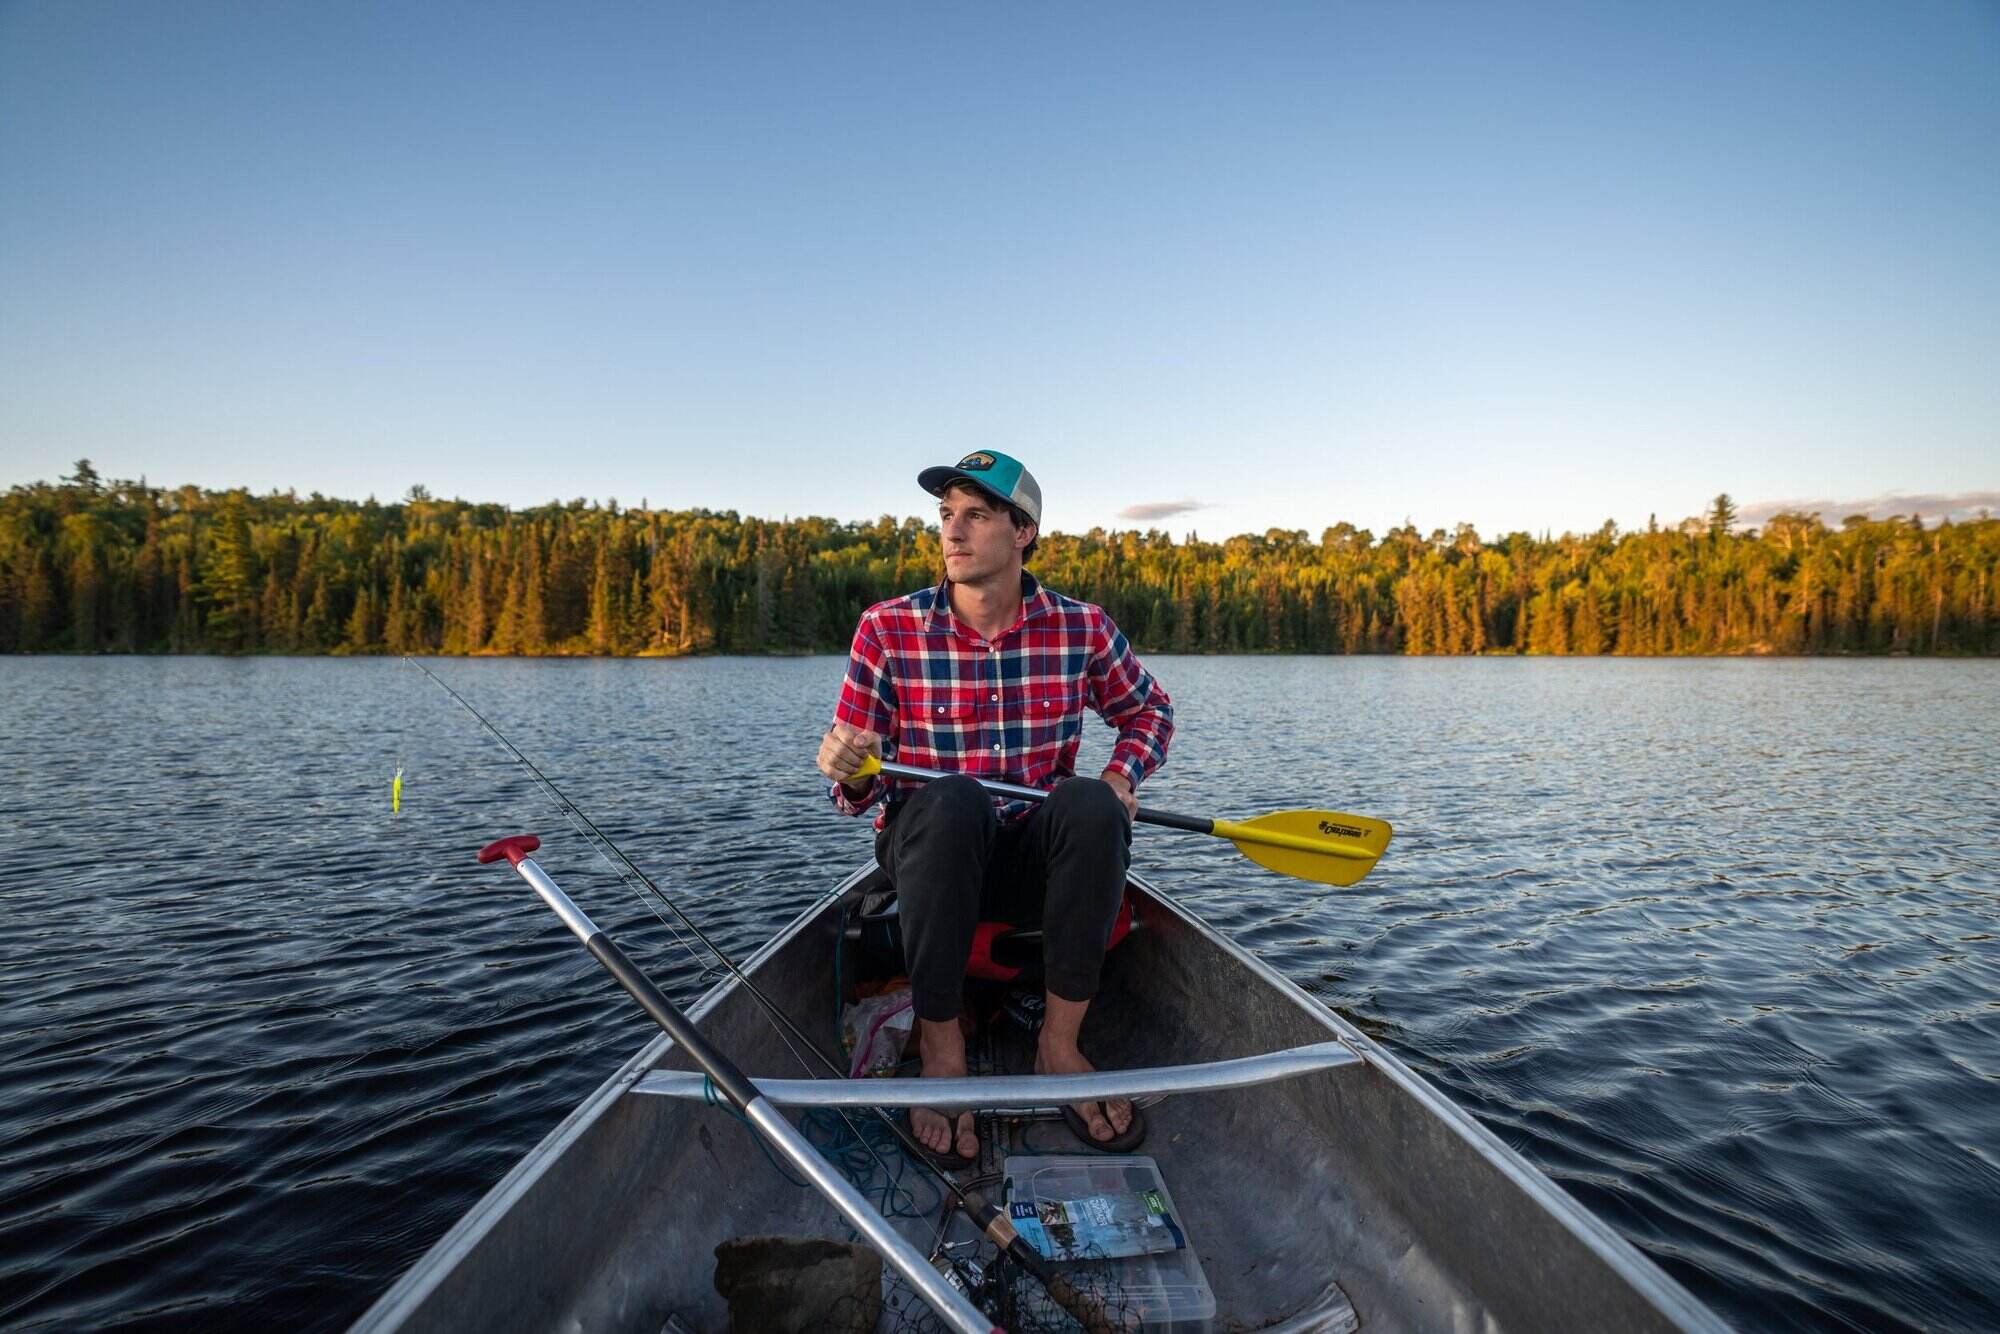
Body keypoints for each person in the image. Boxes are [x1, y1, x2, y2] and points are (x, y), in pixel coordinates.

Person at [816, 450, 1174, 1168]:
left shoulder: (1082, 628)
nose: (954, 531)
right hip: (933, 852)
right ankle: (944, 1052)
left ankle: (1059, 1045)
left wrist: (1119, 775)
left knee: (1091, 807)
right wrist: (850, 773)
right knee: (953, 799)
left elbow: (1151, 713)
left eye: (976, 515)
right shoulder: (887, 629)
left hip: (1029, 861)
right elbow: (853, 797)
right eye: (946, 515)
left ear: (1024, 532)